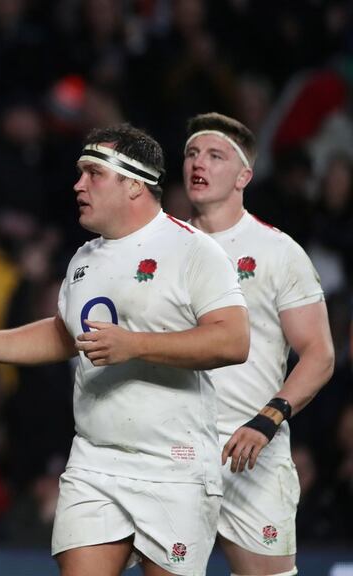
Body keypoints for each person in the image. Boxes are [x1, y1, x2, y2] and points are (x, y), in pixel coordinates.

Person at [0, 123, 250, 576]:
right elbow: (64, 334)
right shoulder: (84, 259)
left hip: (175, 464)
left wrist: (134, 345)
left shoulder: (194, 251)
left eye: (93, 173)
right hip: (95, 460)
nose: (78, 184)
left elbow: (233, 339)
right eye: (79, 172)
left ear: (133, 183)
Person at [183, 112, 334, 576]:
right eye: (191, 154)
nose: (197, 164)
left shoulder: (277, 251)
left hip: (252, 451)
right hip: (175, 451)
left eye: (214, 155)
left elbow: (319, 354)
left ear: (244, 175)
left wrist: (268, 420)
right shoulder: (161, 244)